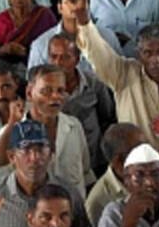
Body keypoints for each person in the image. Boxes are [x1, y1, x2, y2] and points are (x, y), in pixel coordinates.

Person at [75, 6, 159, 150]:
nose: (155, 60)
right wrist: (84, 23)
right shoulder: (124, 74)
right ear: (139, 54)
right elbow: (99, 54)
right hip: (134, 161)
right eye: (148, 53)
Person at [0, 65, 93, 196]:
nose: (55, 97)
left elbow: (85, 172)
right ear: (29, 93)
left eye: (60, 91)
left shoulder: (74, 126)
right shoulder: (14, 129)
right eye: (46, 91)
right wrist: (12, 124)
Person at [46, 32, 114, 174]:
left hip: (94, 160)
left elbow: (107, 117)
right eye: (53, 57)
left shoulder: (94, 83)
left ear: (77, 59)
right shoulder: (41, 90)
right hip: (59, 164)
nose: (58, 63)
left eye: (65, 57)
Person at [0, 0, 56, 69]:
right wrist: (5, 49)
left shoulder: (45, 14)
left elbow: (56, 43)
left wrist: (28, 52)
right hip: (9, 70)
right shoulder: (2, 19)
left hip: (41, 66)